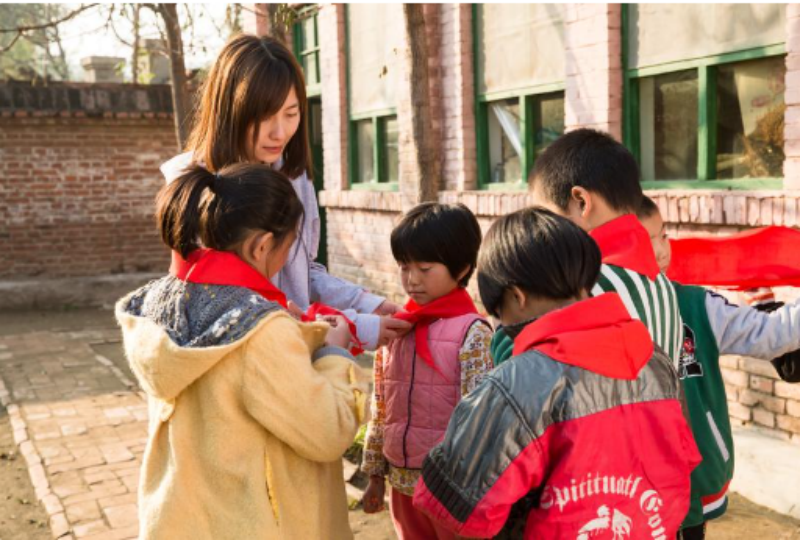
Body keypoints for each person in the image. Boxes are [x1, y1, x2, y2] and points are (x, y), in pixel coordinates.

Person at [412, 207, 700, 539]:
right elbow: (683, 464)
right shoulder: (656, 361)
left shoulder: (515, 384)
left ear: (516, 297)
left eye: (499, 315)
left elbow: (455, 511)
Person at [116, 163, 368, 539]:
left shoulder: (159, 301)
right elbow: (327, 433)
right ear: (262, 245)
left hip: (182, 520)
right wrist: (335, 354)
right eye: (289, 244)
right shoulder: (260, 332)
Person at [160, 33, 411, 350]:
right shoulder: (200, 188)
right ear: (230, 110)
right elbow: (231, 309)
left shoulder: (293, 176)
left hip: (292, 354)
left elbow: (302, 274)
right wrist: (354, 325)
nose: (280, 132)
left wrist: (365, 302)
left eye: (291, 114)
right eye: (265, 117)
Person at [638, 195, 800, 540]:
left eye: (663, 235)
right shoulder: (602, 313)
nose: (661, 250)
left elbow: (774, 335)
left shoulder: (697, 306)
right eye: (645, 241)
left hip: (695, 474)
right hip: (631, 484)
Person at [492, 128, 682, 366]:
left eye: (547, 217)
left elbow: (518, 371)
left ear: (580, 202)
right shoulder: (663, 284)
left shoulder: (579, 288)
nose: (542, 232)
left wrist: (504, 331)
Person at [360, 203, 494, 539]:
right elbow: (381, 405)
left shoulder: (473, 333)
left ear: (461, 268)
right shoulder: (395, 329)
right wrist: (374, 472)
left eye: (424, 267)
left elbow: (478, 423)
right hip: (401, 486)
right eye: (404, 267)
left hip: (449, 492)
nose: (411, 280)